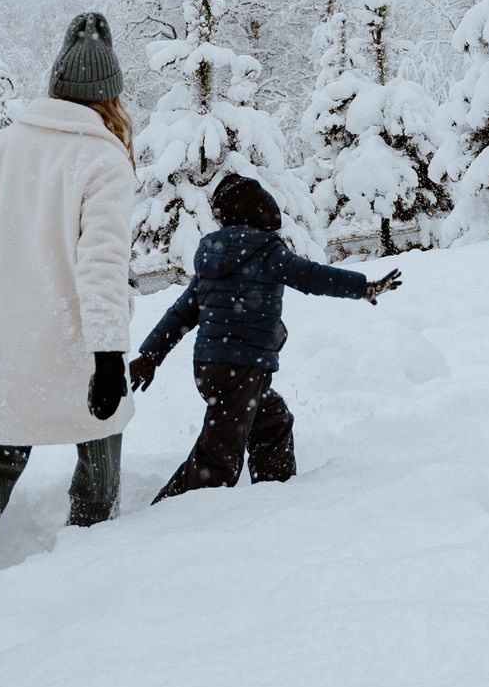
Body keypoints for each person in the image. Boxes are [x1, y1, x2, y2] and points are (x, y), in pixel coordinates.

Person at [0, 12, 138, 623]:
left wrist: (11, 278)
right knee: (99, 444)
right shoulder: (104, 161)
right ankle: (86, 556)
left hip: (3, 334)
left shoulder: (3, 143)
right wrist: (107, 359)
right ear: (110, 95)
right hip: (74, 339)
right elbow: (101, 269)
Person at [129, 172, 400, 500]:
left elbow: (181, 314)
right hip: (240, 366)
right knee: (218, 460)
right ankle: (166, 518)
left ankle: (274, 495)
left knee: (272, 420)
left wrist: (150, 356)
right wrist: (362, 287)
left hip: (213, 366)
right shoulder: (266, 250)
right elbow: (311, 277)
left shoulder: (212, 256)